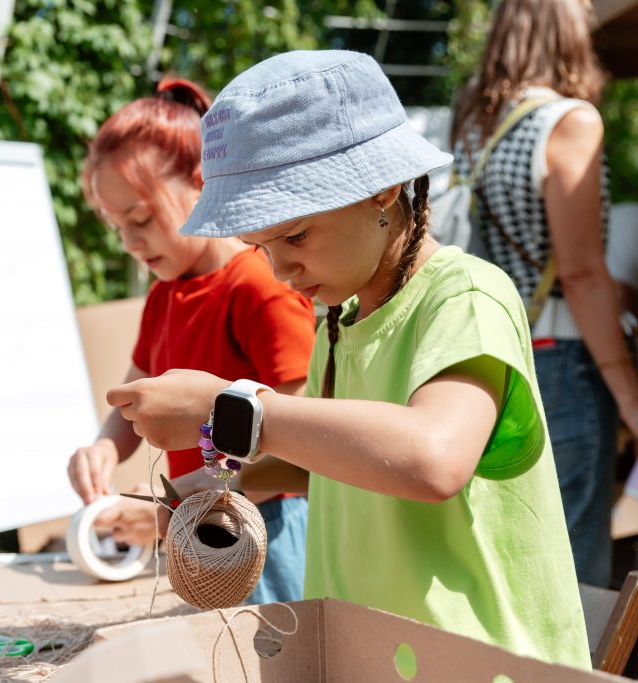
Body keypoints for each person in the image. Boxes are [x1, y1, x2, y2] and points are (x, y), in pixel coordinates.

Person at [109, 50, 590, 668]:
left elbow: (430, 459)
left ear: (381, 189)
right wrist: (198, 493)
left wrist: (228, 407)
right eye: (260, 245)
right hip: (374, 657)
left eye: (297, 236)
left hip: (480, 664)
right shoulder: (340, 318)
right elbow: (327, 470)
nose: (280, 269)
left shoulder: (465, 296)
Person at [67, 78, 317, 603]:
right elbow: (133, 396)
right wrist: (105, 448)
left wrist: (173, 505)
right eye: (117, 227)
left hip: (266, 529)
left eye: (141, 218)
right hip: (196, 530)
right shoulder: (164, 296)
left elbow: (306, 442)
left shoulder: (259, 287)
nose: (131, 242)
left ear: (202, 184)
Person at [449, 0, 638, 587]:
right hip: (562, 359)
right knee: (572, 568)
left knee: (514, 560)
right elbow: (580, 274)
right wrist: (630, 395)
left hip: (491, 353)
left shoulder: (476, 124)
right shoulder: (569, 122)